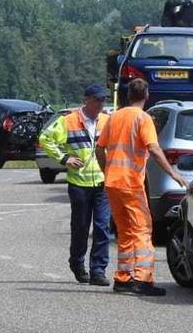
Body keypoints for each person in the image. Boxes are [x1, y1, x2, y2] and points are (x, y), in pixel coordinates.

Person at [96, 78, 188, 296]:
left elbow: (100, 149)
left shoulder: (114, 117)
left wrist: (106, 170)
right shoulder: (143, 118)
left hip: (113, 183)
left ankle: (123, 277)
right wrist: (173, 173)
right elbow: (154, 149)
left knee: (125, 231)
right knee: (142, 229)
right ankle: (143, 279)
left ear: (128, 96)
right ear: (146, 96)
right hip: (130, 183)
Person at [38, 84, 112, 286]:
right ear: (86, 99)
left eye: (103, 100)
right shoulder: (68, 121)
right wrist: (64, 159)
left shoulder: (107, 120)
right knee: (80, 227)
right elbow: (45, 138)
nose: (100, 104)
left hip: (103, 183)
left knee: (102, 226)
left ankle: (98, 270)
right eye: (97, 99)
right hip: (79, 184)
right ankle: (77, 264)